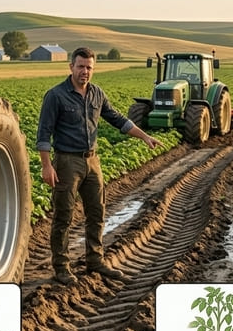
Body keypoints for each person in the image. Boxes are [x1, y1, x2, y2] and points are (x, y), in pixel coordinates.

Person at [36, 47, 162, 284]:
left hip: (92, 161)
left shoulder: (96, 94)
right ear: (71, 67)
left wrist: (144, 136)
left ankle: (95, 260)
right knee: (64, 215)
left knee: (97, 212)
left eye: (89, 67)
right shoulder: (56, 96)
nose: (85, 71)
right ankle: (61, 267)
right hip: (66, 162)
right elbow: (44, 132)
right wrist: (46, 166)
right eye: (81, 66)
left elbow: (117, 119)